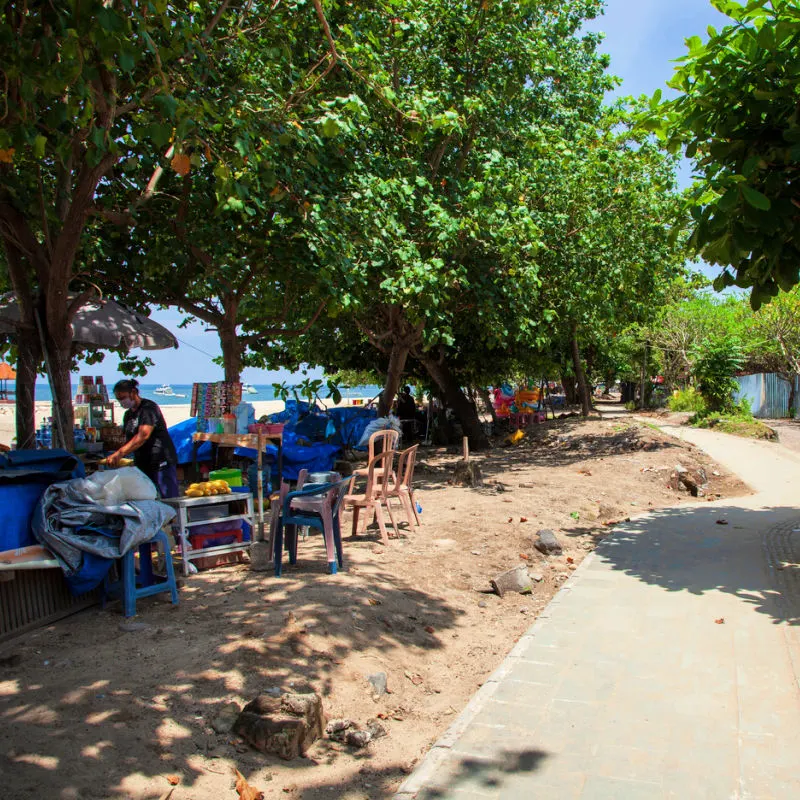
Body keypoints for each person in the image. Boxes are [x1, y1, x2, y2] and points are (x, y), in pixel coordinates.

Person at [107, 379, 179, 498]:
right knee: (147, 496)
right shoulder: (128, 415)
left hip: (160, 459)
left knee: (169, 497)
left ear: (133, 392)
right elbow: (128, 439)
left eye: (123, 398)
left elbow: (143, 435)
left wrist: (120, 453)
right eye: (118, 399)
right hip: (142, 462)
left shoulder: (148, 408)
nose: (121, 402)